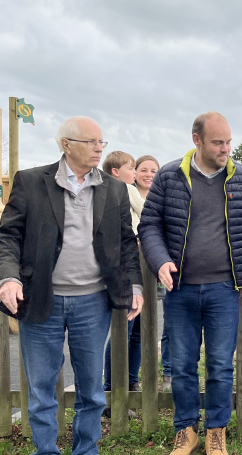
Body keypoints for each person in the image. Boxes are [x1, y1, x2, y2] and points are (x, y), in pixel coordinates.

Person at [0, 116, 143, 455]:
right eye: (91, 142)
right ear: (66, 145)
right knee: (42, 386)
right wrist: (8, 277)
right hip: (40, 298)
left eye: (101, 142)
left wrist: (135, 284)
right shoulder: (31, 181)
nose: (99, 148)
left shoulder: (113, 190)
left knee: (92, 387)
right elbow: (7, 235)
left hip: (92, 300)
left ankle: (86, 454)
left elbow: (127, 243)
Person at [138, 112, 242, 455]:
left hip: (226, 289)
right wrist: (160, 260)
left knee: (221, 366)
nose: (225, 149)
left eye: (228, 142)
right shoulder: (170, 175)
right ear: (197, 140)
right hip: (180, 290)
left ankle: (216, 433)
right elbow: (149, 225)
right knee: (182, 365)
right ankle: (186, 432)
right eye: (217, 143)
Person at [101, 151, 144, 410]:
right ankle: (114, 387)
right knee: (124, 332)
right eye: (132, 168)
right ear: (116, 171)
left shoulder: (112, 189)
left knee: (133, 331)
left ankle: (127, 383)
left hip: (129, 262)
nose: (136, 173)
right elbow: (146, 211)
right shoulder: (124, 189)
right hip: (127, 265)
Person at [133, 155, 171, 391]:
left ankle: (168, 373)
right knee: (130, 329)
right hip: (134, 271)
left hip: (160, 268)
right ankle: (123, 380)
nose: (149, 175)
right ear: (135, 173)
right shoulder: (126, 198)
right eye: (144, 170)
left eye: (154, 171)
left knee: (167, 324)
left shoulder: (162, 200)